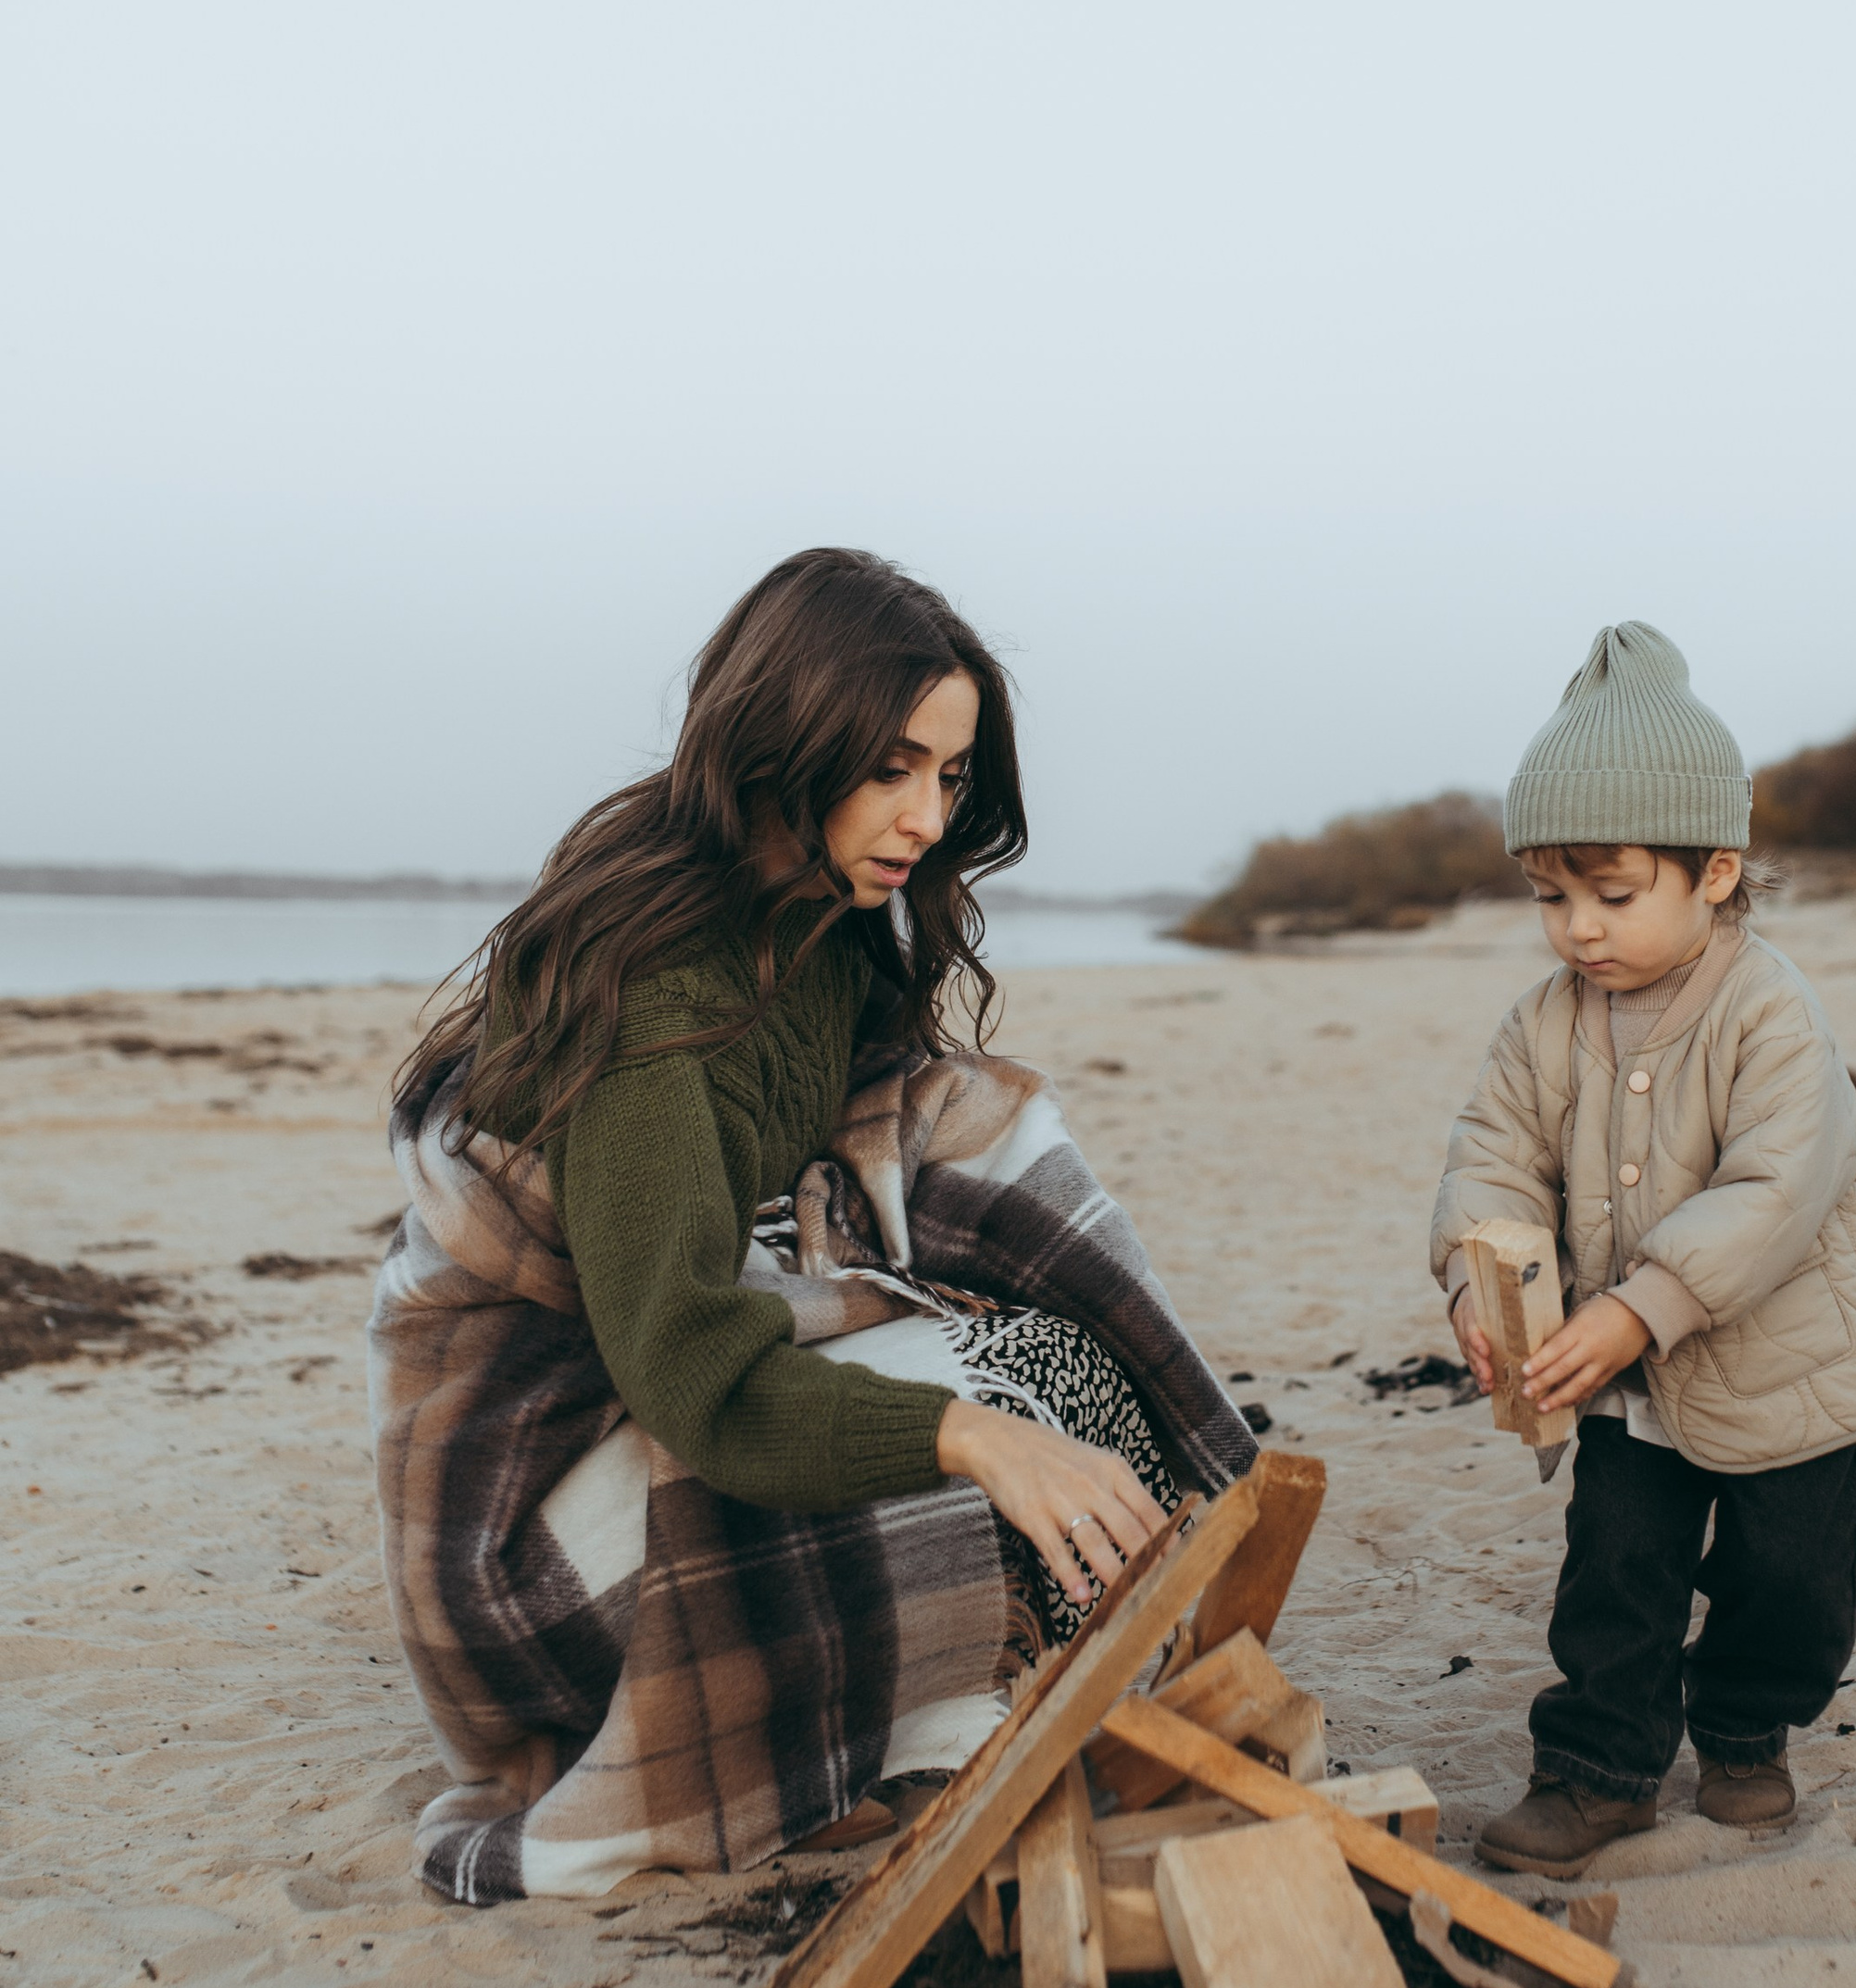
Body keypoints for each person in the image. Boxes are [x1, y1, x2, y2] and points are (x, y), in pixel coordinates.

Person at [375, 547, 1250, 1901]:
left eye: (950, 779)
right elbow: (695, 1381)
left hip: (644, 1390)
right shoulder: (651, 1002)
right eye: (890, 769)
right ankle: (928, 1722)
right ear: (784, 742)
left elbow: (888, 1136)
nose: (923, 818)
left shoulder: (825, 932)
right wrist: (964, 1433)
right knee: (986, 1436)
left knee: (1029, 1327)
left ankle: (1015, 1638)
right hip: (518, 1535)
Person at [1431, 620, 1856, 1879]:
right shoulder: (1545, 1025)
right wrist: (1483, 1275)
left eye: (1611, 891)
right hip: (1623, 1386)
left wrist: (1644, 1304)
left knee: (1794, 1584)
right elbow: (1494, 1153)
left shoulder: (1771, 1013)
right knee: (1615, 1578)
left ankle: (1747, 1721)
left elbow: (1774, 1189)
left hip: (1795, 1380)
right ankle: (1598, 1771)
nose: (1578, 929)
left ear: (1714, 871)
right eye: (1550, 897)